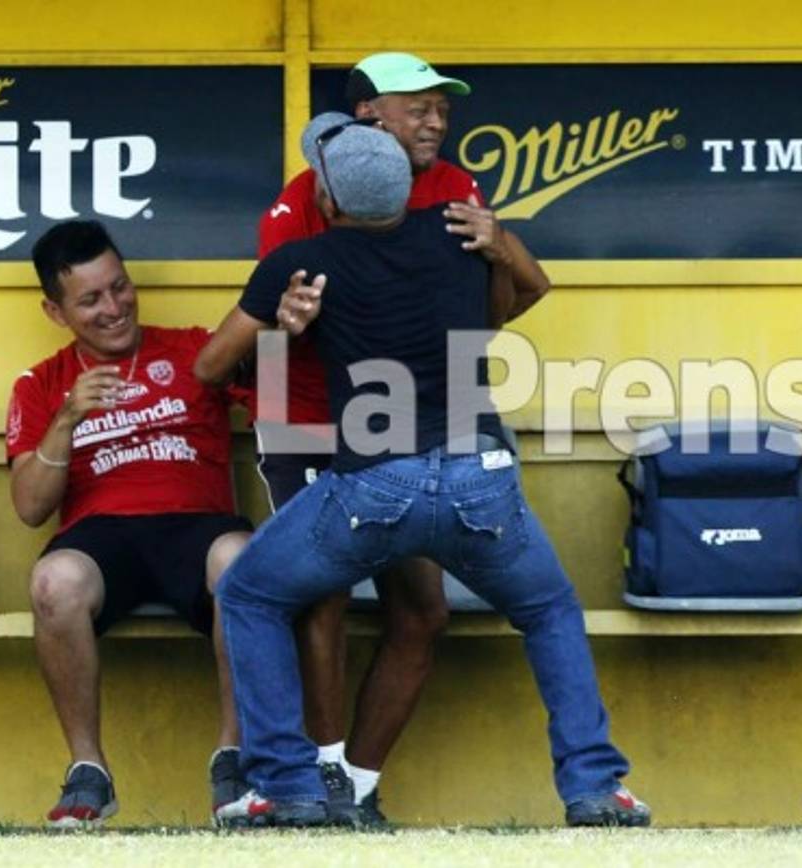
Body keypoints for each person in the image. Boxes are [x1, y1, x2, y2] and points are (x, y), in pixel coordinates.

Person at [195, 114, 648, 829]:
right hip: (481, 477)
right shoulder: (459, 232)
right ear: (406, 188)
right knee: (550, 609)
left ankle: (286, 786)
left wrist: (283, 325)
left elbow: (211, 367)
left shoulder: (302, 260)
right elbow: (526, 292)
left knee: (248, 593)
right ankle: (596, 786)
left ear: (331, 204)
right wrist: (498, 249)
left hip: (374, 487)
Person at [253, 50, 549, 825]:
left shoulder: (455, 189)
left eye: (441, 107)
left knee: (422, 611)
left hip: (415, 426)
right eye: (416, 106)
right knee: (316, 597)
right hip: (311, 414)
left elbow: (496, 310)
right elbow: (281, 333)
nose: (436, 119)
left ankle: (356, 784)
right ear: (367, 119)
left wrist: (500, 244)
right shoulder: (297, 206)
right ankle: (316, 781)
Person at [7, 221, 254, 827]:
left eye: (120, 287)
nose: (114, 308)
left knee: (244, 563)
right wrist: (66, 420)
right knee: (52, 584)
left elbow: (289, 391)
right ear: (55, 311)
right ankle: (88, 770)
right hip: (102, 539)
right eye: (90, 299)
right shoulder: (42, 384)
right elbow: (30, 507)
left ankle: (236, 761)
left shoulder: (197, 351)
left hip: (198, 527)